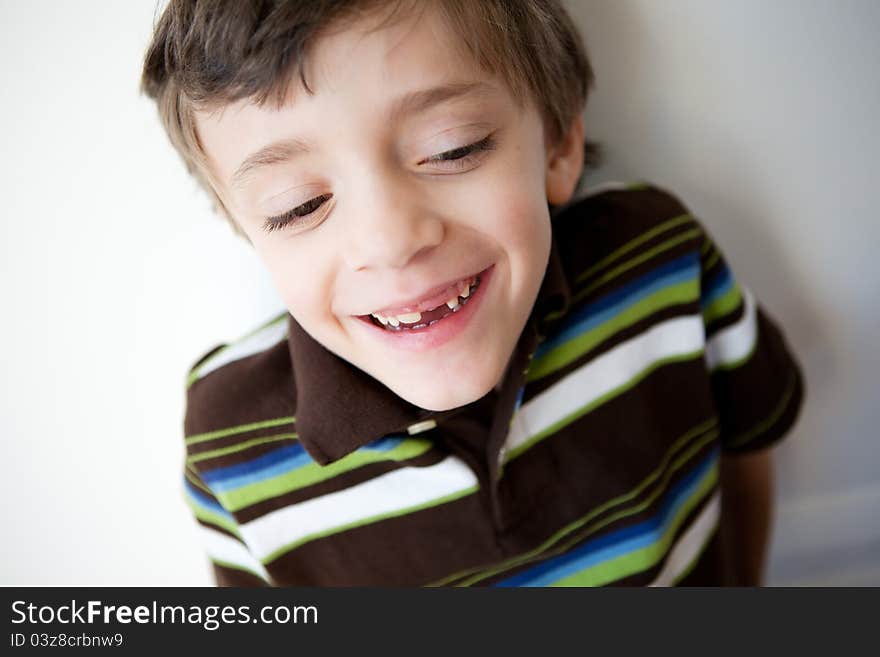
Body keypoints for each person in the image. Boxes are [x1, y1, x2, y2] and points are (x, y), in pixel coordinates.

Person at [140, 0, 804, 586]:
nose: (389, 240)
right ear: (250, 232)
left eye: (453, 148)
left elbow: (748, 441)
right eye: (298, 204)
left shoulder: (658, 261)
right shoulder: (230, 443)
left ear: (557, 145)